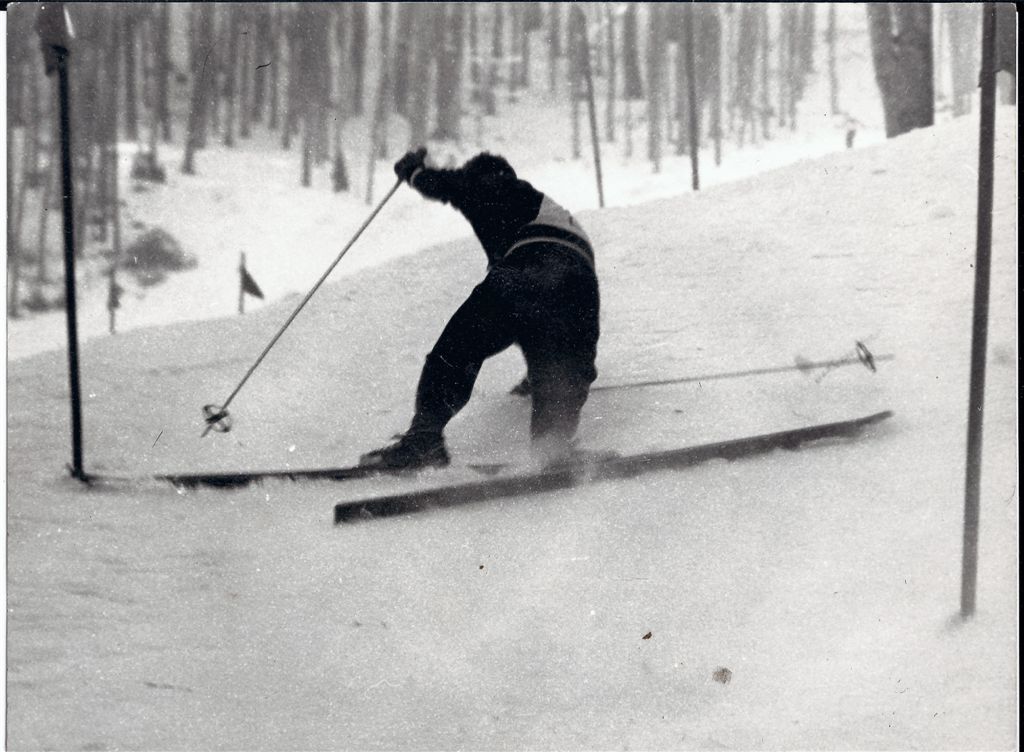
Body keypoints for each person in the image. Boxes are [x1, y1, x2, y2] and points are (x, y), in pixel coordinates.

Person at [360, 148, 601, 469]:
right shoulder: (539, 211)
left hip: (532, 266)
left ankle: (424, 442)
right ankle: (554, 446)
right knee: (563, 366)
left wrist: (415, 172)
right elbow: (550, 322)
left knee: (458, 347)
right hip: (580, 283)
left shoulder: (496, 185)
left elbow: (454, 185)